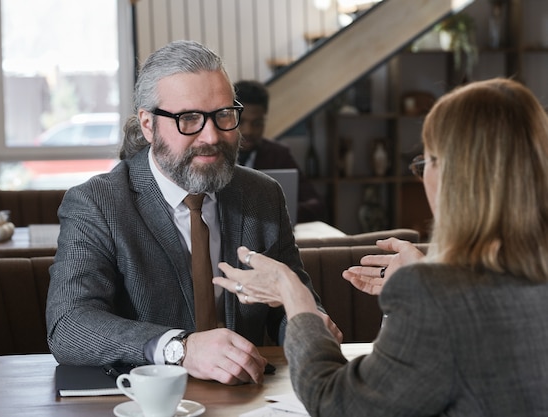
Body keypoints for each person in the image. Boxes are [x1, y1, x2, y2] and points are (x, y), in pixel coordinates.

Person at [214, 78, 548, 415]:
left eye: (427, 160)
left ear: (454, 176)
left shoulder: (439, 297)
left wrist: (295, 297)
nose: (422, 176)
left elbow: (334, 402)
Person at [46, 40, 340, 386]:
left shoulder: (263, 195)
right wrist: (180, 348)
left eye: (224, 115)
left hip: (247, 397)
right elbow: (69, 324)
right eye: (189, 119)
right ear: (148, 124)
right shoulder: (97, 203)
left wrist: (309, 323)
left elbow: (285, 309)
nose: (212, 136)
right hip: (143, 399)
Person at [234, 80, 326, 223]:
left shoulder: (279, 154)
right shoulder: (215, 155)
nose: (249, 131)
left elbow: (316, 205)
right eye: (241, 122)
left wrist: (274, 213)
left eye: (257, 123)